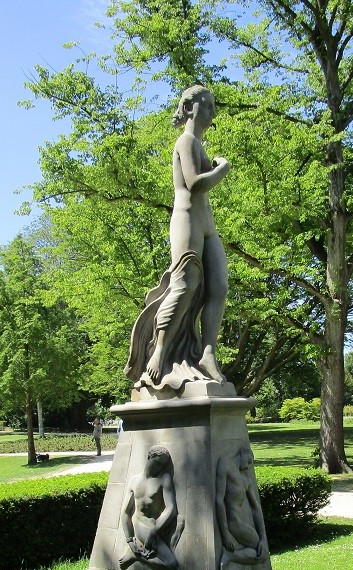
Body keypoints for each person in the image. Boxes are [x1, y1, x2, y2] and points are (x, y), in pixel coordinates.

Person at [125, 85, 230, 393]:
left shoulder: (200, 145)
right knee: (185, 287)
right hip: (186, 221)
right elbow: (195, 185)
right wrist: (223, 168)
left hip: (207, 224)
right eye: (207, 105)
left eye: (213, 105)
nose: (212, 111)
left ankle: (208, 352)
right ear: (188, 107)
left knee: (219, 286)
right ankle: (158, 351)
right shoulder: (185, 141)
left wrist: (214, 166)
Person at [118, 445, 182, 570]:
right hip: (140, 525)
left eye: (161, 465)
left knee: (181, 520)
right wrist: (129, 540)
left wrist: (155, 531)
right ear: (149, 457)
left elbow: (171, 509)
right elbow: (125, 513)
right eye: (157, 463)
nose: (159, 468)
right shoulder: (134, 481)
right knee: (172, 565)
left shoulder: (164, 479)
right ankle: (137, 556)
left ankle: (138, 555)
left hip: (156, 528)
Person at [215, 446, 269, 570]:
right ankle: (229, 557)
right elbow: (218, 501)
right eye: (249, 460)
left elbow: (256, 509)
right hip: (232, 524)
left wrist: (263, 538)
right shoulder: (225, 464)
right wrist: (225, 533)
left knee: (261, 552)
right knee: (260, 554)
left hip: (238, 523)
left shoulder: (246, 480)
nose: (249, 466)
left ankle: (231, 556)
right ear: (242, 454)